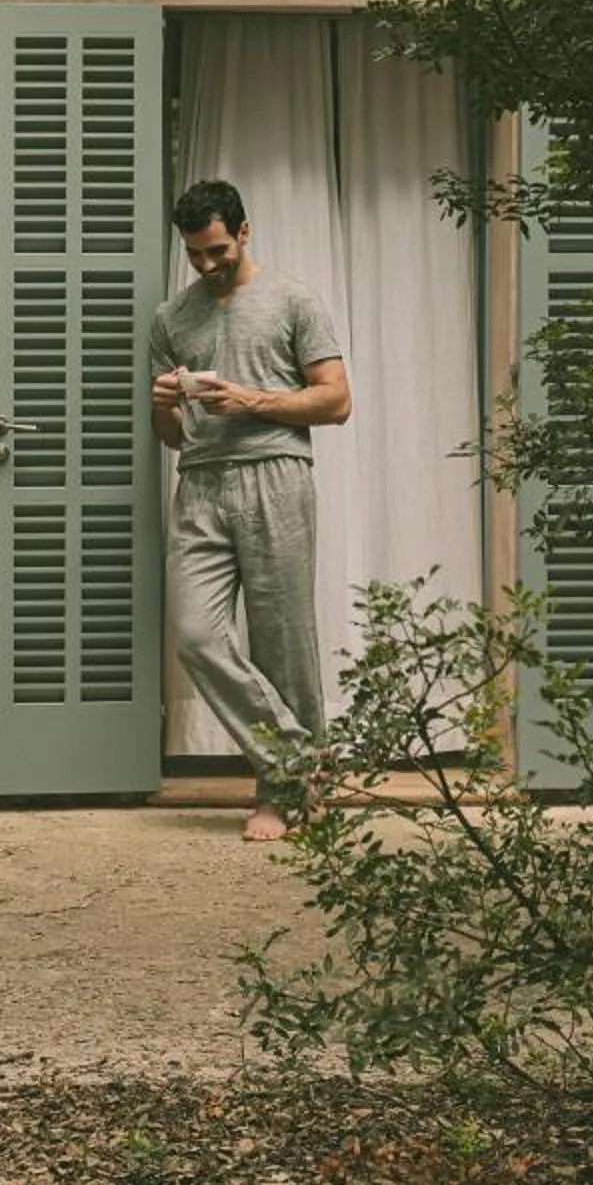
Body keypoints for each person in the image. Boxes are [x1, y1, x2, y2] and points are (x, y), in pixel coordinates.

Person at [147, 179, 351, 842]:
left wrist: (252, 401)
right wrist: (161, 406)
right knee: (197, 637)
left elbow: (335, 401)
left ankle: (280, 793)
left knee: (282, 644)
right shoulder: (171, 318)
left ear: (243, 231)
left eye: (216, 251)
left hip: (276, 476)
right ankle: (306, 761)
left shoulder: (293, 300)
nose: (207, 266)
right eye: (195, 255)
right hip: (201, 484)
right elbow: (174, 437)